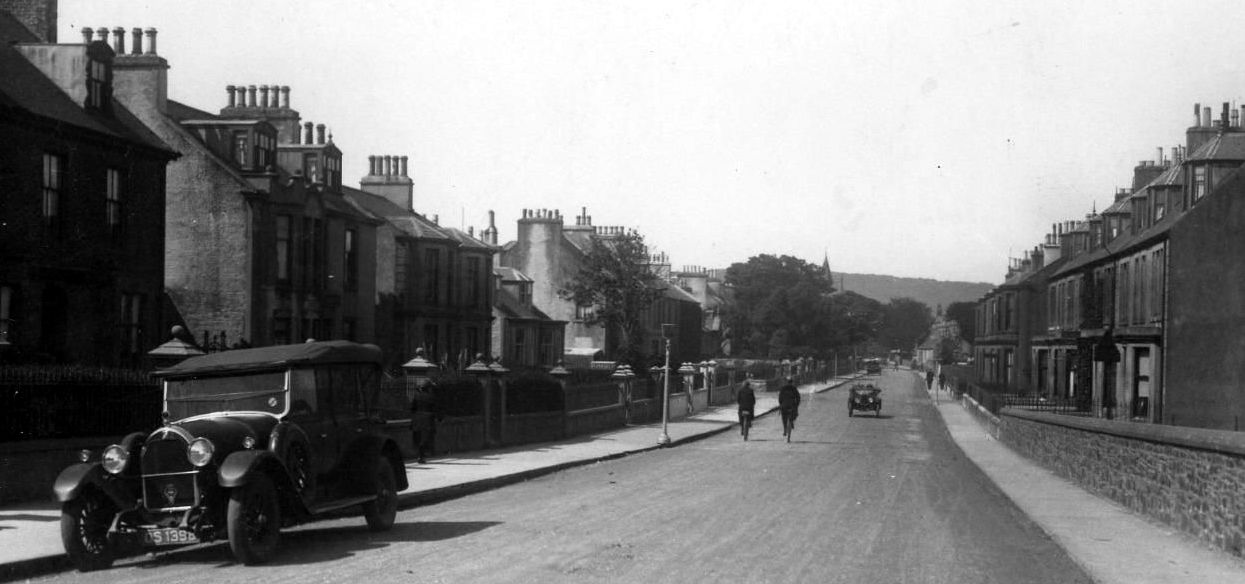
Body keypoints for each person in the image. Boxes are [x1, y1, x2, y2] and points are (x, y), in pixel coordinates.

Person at [410, 381, 442, 464]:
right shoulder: (431, 397)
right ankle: (421, 456)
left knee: (419, 437)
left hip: (417, 419)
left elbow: (412, 408)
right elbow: (435, 409)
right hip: (427, 419)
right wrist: (439, 418)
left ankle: (420, 455)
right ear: (428, 389)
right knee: (425, 438)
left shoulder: (416, 396)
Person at [777, 376, 801, 441]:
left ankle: (785, 428)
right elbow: (798, 397)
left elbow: (780, 398)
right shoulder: (794, 388)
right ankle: (791, 423)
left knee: (784, 417)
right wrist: (797, 404)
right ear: (792, 382)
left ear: (786, 382)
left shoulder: (783, 388)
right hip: (792, 406)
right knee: (794, 415)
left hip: (784, 406)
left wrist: (781, 404)